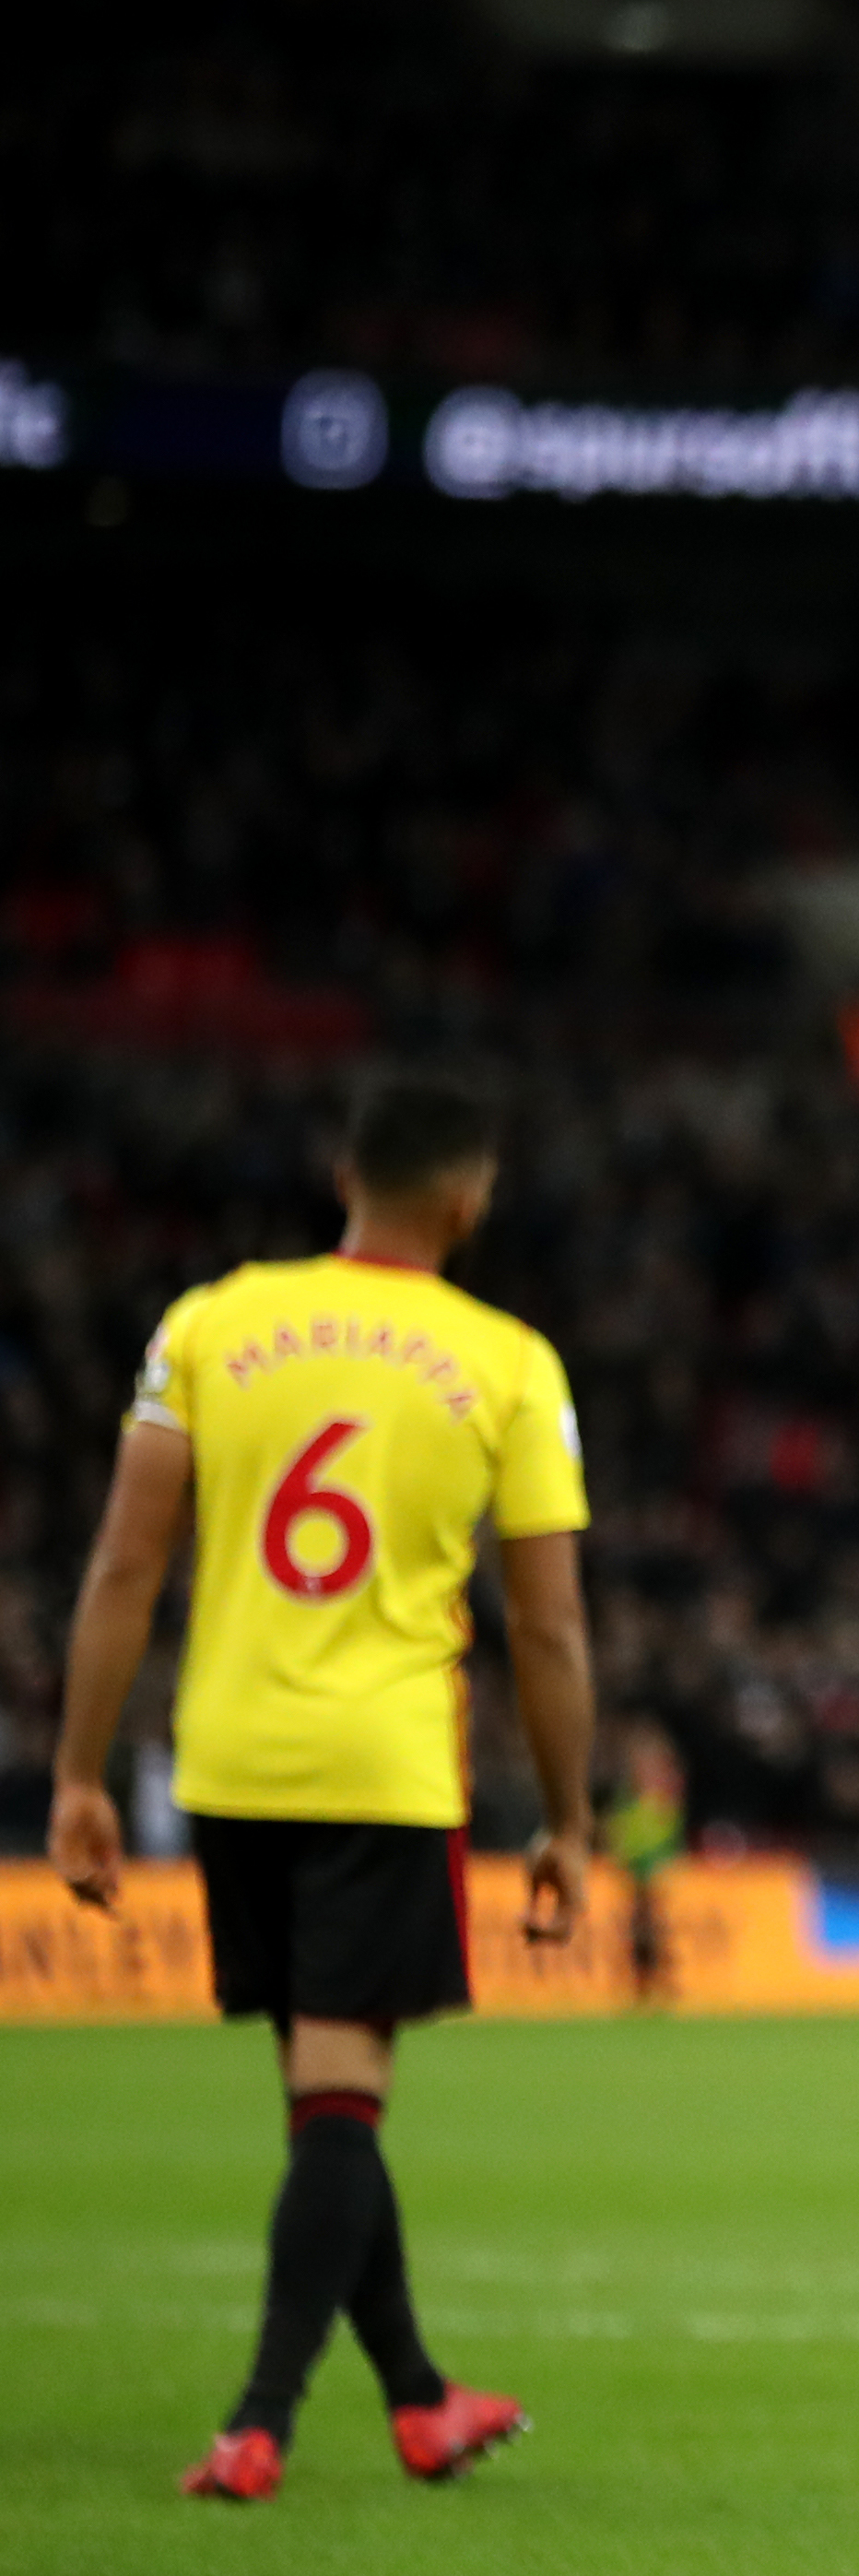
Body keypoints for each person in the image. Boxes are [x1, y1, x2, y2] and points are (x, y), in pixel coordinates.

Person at [45, 1069, 599, 2501]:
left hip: (227, 1757)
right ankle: (260, 2419)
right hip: (381, 1767)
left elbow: (121, 1563)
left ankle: (421, 2398)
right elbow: (546, 1624)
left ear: (339, 1174)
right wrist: (573, 1817)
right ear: (470, 1200)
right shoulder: (509, 1360)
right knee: (344, 2097)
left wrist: (79, 1772)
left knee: (322, 2096)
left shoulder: (209, 1322)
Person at [602, 1719, 684, 2005]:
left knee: (652, 1928)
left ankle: (658, 1983)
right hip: (638, 1868)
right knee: (641, 1929)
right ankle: (646, 1984)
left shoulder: (663, 1796)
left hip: (653, 1867)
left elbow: (662, 1831)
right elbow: (620, 1831)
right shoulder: (632, 1796)